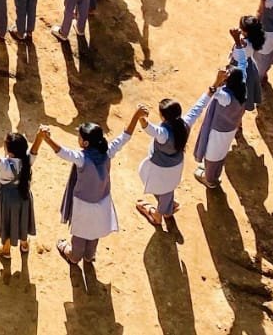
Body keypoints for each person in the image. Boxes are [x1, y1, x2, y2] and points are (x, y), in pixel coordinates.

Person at [35, 109, 142, 267]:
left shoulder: (82, 159)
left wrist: (46, 139)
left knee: (79, 236)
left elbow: (62, 152)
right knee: (94, 233)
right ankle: (89, 256)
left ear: (85, 143)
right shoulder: (108, 151)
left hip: (83, 206)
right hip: (103, 202)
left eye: (79, 136)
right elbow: (126, 135)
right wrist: (136, 114)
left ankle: (73, 256)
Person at [134, 94, 209, 227]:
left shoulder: (164, 133)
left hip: (159, 169)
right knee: (167, 189)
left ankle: (159, 214)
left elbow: (149, 129)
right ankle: (168, 206)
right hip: (175, 168)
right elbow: (198, 107)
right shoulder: (185, 124)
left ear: (163, 117)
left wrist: (140, 117)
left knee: (159, 187)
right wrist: (211, 90)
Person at [0, 128, 39, 258]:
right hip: (24, 197)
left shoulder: (5, 165)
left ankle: (5, 250)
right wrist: (40, 136)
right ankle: (24, 244)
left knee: (8, 223)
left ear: (9, 151)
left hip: (8, 200)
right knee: (23, 219)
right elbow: (35, 149)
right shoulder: (28, 161)